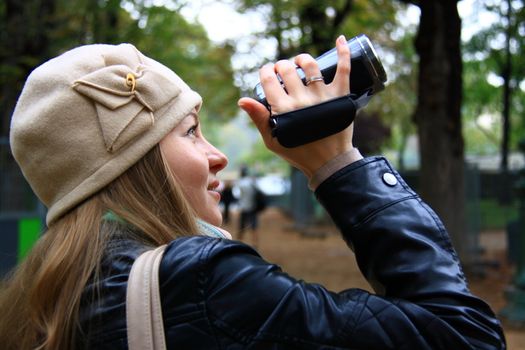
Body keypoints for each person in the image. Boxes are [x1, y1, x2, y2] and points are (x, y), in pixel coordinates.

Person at [0, 36, 506, 349]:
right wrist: (339, 165)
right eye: (190, 132)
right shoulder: (199, 283)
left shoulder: (41, 296)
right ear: (135, 163)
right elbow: (465, 337)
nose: (217, 155)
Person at [236, 165, 260, 246]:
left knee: (241, 228)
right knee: (254, 227)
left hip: (243, 207)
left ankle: (239, 244)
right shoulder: (251, 181)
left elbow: (239, 195)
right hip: (253, 207)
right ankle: (255, 244)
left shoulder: (241, 183)